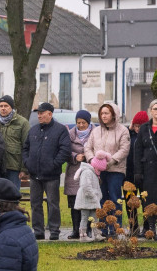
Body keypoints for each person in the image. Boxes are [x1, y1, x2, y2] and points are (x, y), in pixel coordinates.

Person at [21, 102, 72, 241]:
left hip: (52, 176)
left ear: (50, 114)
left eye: (41, 113)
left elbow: (65, 150)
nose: (39, 116)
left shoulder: (60, 130)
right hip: (34, 174)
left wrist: (54, 165)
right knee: (35, 204)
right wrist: (28, 163)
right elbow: (25, 148)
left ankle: (54, 231)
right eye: (38, 113)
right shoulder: (33, 130)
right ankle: (38, 231)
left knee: (53, 204)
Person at [84, 102, 130, 236]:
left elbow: (124, 149)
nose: (103, 116)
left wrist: (110, 162)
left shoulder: (123, 130)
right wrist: (92, 160)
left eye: (106, 113)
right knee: (101, 198)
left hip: (115, 170)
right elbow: (88, 147)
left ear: (114, 114)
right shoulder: (96, 131)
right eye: (102, 113)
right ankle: (103, 228)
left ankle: (115, 228)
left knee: (115, 198)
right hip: (98, 171)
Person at [64, 111, 94, 239]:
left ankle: (88, 229)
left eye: (84, 123)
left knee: (89, 201)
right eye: (78, 122)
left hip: (90, 171)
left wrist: (89, 156)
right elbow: (64, 150)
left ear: (89, 122)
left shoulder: (95, 133)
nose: (81, 125)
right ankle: (76, 230)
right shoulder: (69, 134)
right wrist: (75, 156)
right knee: (74, 202)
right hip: (73, 171)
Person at [133, 100, 157, 235]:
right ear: (151, 111)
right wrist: (138, 171)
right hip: (148, 170)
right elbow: (138, 151)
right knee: (150, 199)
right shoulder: (144, 128)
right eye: (155, 109)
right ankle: (151, 228)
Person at [0, 95, 30, 188]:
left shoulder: (22, 122)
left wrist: (24, 169)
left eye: (6, 106)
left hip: (14, 167)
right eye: (1, 106)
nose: (3, 108)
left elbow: (27, 146)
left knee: (12, 194)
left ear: (11, 107)